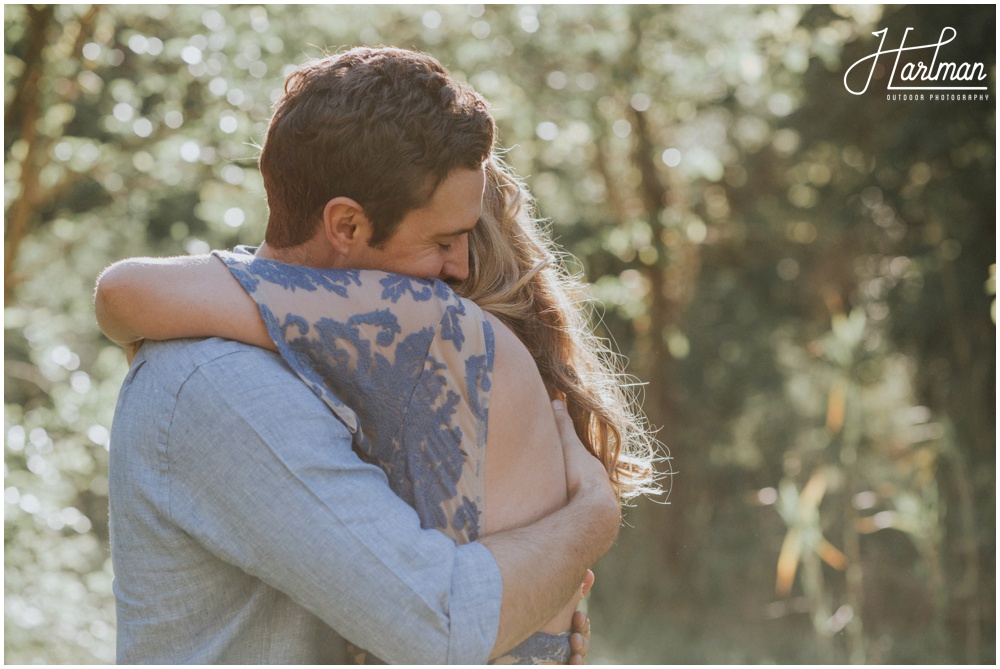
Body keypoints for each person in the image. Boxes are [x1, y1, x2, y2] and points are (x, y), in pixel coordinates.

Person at [97, 47, 650, 664]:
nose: (460, 267)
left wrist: (536, 616)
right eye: (441, 241)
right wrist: (590, 522)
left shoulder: (382, 372)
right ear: (348, 227)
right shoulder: (222, 387)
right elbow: (438, 626)